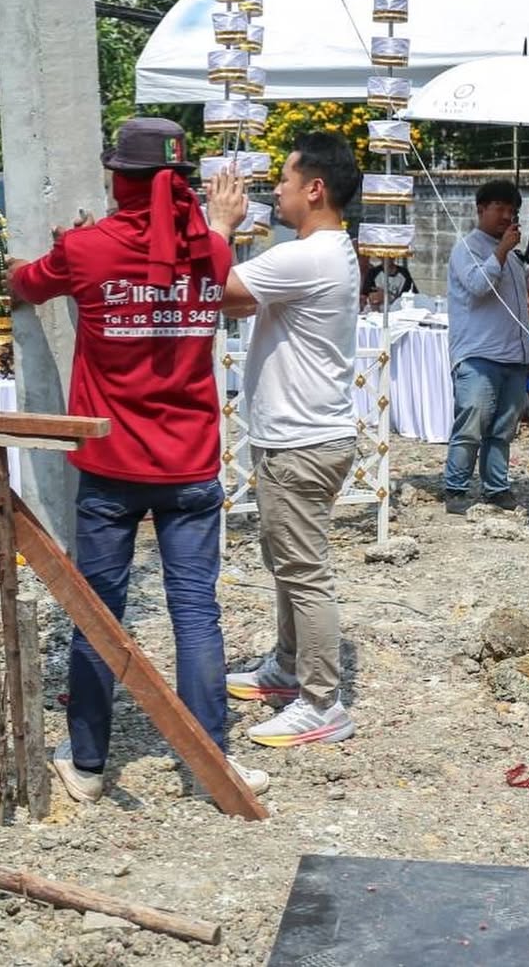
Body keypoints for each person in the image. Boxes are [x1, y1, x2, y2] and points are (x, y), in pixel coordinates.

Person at [7, 117, 268, 803]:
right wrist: (222, 224)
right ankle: (209, 764)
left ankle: (89, 767)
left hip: (110, 467)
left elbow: (26, 285)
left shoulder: (86, 250)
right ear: (181, 182)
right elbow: (211, 245)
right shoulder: (210, 252)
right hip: (190, 466)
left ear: (116, 178)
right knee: (195, 611)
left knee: (98, 612)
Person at [207, 132, 361, 748]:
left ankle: (322, 702)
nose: (277, 190)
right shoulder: (316, 251)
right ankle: (289, 668)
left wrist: (219, 226)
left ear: (314, 188)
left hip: (301, 441)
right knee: (288, 562)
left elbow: (221, 292)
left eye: (286, 180)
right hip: (303, 435)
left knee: (305, 570)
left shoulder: (311, 255)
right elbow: (244, 306)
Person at [443, 179, 529, 515]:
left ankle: (496, 487)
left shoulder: (513, 258)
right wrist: (499, 252)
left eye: (511, 210)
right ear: (481, 209)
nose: (506, 216)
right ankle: (455, 488)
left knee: (504, 429)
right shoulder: (465, 248)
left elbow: (521, 307)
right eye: (500, 208)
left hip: (514, 356)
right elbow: (479, 286)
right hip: (479, 356)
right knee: (471, 424)